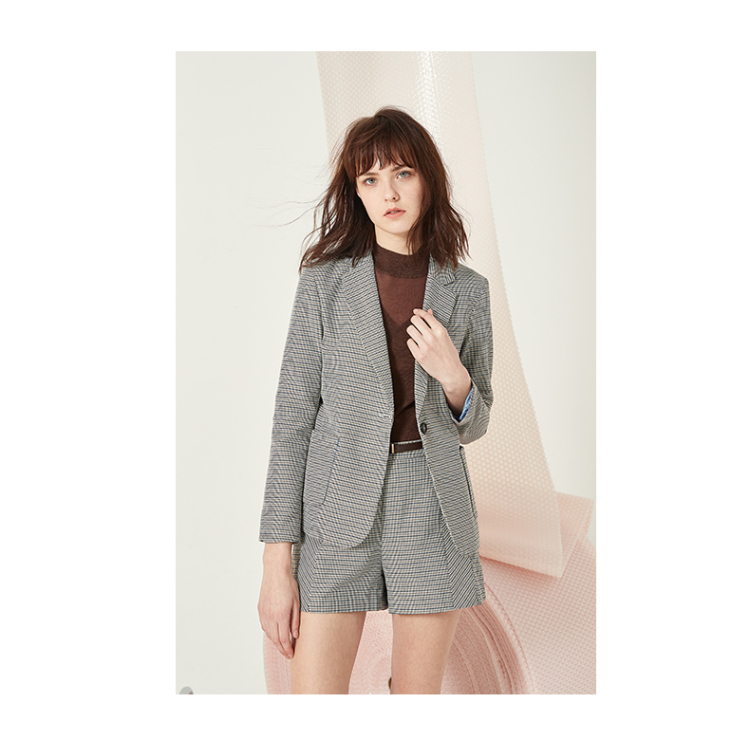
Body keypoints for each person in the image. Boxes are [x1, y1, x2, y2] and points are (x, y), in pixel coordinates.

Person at [257, 106, 494, 694]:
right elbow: (292, 423)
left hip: (431, 503)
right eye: (370, 178)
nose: (388, 192)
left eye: (403, 173)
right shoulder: (324, 284)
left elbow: (475, 422)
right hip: (336, 504)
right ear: (356, 192)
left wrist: (453, 375)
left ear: (428, 179)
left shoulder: (467, 291)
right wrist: (275, 565)